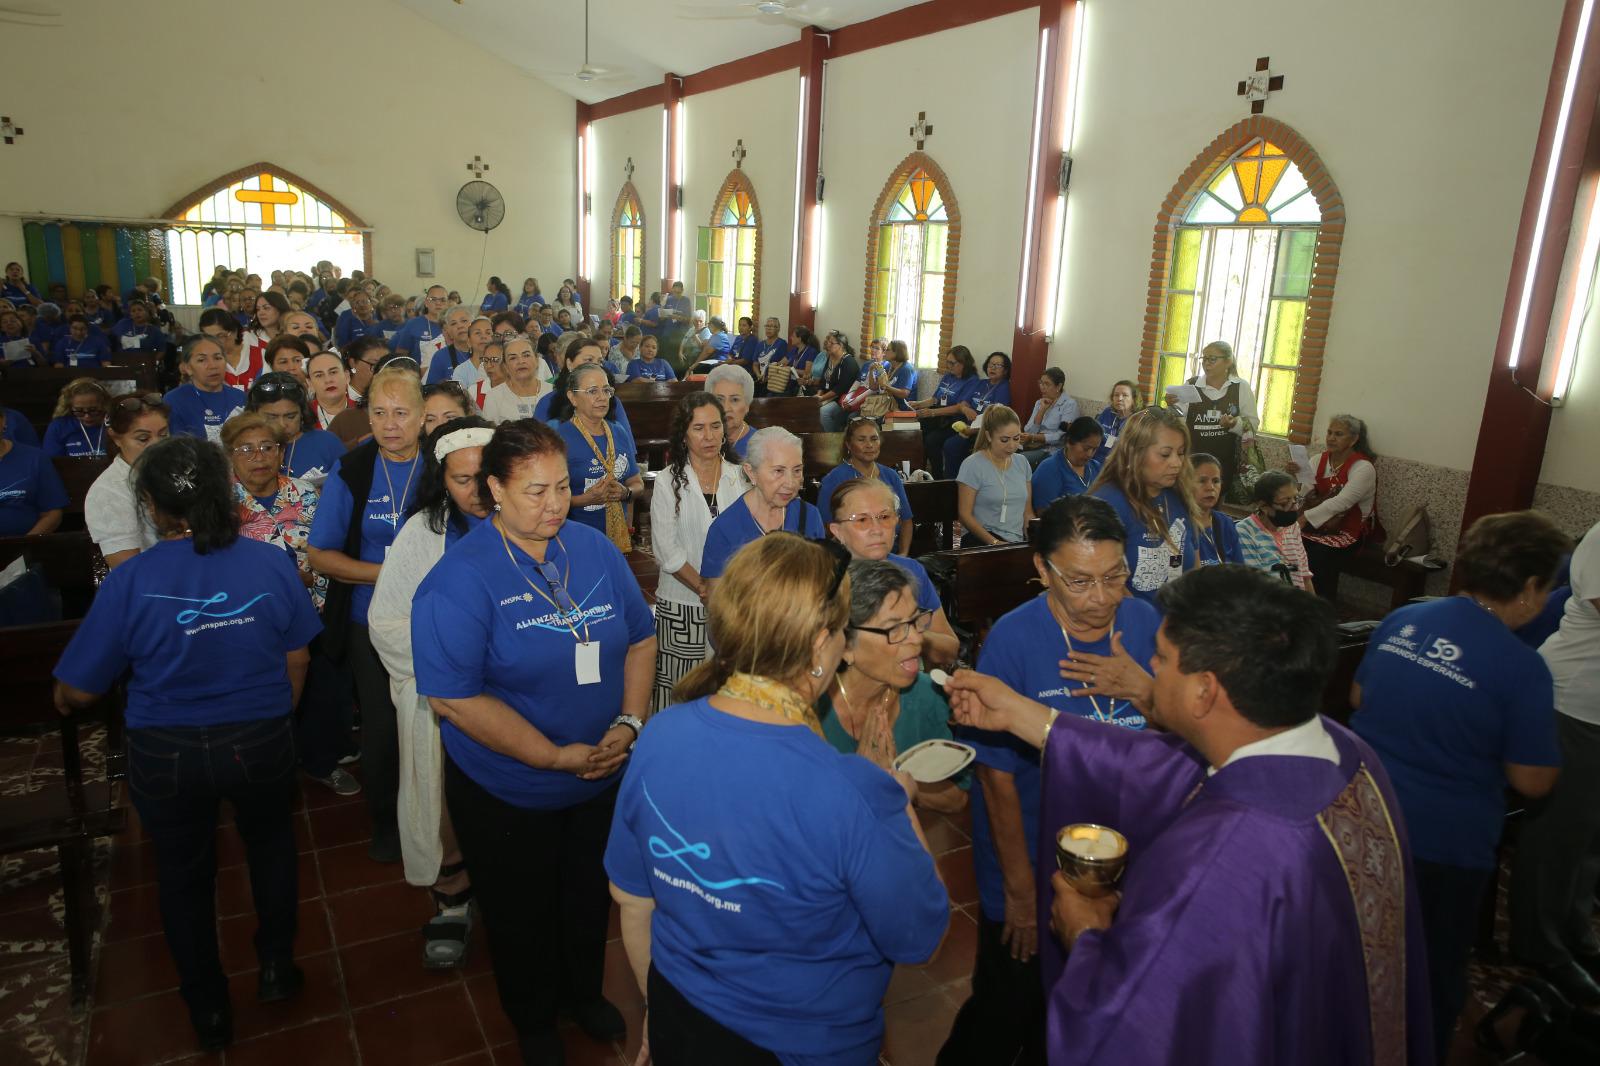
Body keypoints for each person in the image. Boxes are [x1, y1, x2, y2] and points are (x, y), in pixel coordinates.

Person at [942, 564, 1433, 1066]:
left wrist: (1086, 933)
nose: (1148, 669)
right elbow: (1158, 769)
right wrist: (1023, 714)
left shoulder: (1224, 859)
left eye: (1160, 656)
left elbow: (1131, 1024)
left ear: (1204, 691)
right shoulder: (1343, 752)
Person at [605, 534, 947, 1066]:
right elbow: (919, 935)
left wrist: (655, 1007)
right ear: (819, 646)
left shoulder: (657, 737)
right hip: (803, 1043)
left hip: (682, 1013)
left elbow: (634, 900)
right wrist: (896, 798)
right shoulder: (855, 791)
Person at [52, 436, 320, 1053]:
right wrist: (280, 716)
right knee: (273, 848)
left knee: (182, 875)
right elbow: (299, 654)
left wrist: (63, 699)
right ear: (224, 492)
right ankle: (277, 966)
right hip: (259, 734)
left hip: (166, 747)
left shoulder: (131, 580)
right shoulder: (268, 562)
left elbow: (80, 689)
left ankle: (208, 1007)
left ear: (150, 504)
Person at [412, 419, 655, 1065]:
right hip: (509, 789)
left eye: (563, 488)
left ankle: (582, 993)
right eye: (534, 491)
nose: (553, 505)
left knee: (584, 896)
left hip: (600, 768)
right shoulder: (460, 580)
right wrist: (550, 756)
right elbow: (453, 697)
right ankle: (533, 1018)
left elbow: (638, 636)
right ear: (493, 489)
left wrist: (628, 723)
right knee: (521, 914)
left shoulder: (591, 549)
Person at [940, 496, 1161, 1064]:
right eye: (1081, 582)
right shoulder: (1014, 640)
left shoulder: (1145, 623)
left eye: (1115, 576)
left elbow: (1178, 742)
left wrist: (1145, 690)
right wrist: (1020, 893)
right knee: (1006, 1006)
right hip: (1035, 855)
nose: (1103, 598)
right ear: (1042, 569)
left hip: (1125, 859)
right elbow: (997, 777)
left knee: (1085, 1009)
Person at [1352, 511, 1567, 1051]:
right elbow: (1534, 781)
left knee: (1362, 942)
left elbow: (1358, 698)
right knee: (1433, 962)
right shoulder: (1521, 668)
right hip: (1443, 842)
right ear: (1532, 587)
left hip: (1365, 815)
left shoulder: (1406, 620)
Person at [369, 417, 494, 969]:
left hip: (513, 694)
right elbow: (386, 624)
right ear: (442, 480)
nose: (475, 491)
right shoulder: (422, 534)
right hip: (445, 692)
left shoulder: (529, 521)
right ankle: (452, 890)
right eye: (461, 479)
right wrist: (455, 667)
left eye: (484, 476)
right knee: (442, 788)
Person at [307, 367, 426, 862]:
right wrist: (392, 574)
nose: (390, 424)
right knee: (382, 728)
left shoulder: (444, 468)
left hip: (437, 617)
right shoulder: (352, 470)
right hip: (368, 619)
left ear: (422, 418)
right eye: (379, 413)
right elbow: (320, 555)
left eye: (401, 413)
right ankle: (388, 826)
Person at [222, 412, 353, 797]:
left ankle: (321, 762)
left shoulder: (307, 492)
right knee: (265, 695)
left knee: (323, 692)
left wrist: (310, 575)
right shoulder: (220, 502)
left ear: (281, 452)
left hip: (317, 607)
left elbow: (333, 544)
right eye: (246, 449)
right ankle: (266, 766)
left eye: (268, 447)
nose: (258, 456)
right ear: (230, 455)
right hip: (254, 621)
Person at [1512, 517, 1600, 1007]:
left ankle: (1575, 932)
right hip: (1575, 702)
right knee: (1560, 831)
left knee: (1591, 837)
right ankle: (1540, 945)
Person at [819, 557, 969, 809]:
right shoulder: (810, 709)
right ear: (845, 645)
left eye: (914, 621)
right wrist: (864, 780)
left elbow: (956, 799)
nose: (916, 640)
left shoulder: (927, 694)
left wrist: (892, 781)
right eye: (894, 629)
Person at [648, 392, 748, 710]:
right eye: (699, 428)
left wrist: (726, 591)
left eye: (716, 426)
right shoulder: (668, 481)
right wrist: (704, 588)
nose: (709, 436)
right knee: (679, 692)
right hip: (683, 602)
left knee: (725, 691)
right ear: (684, 434)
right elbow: (667, 550)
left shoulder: (741, 476)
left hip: (734, 601)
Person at [828, 478, 961, 667]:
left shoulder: (911, 570)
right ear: (838, 531)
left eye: (885, 517)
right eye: (862, 520)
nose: (877, 529)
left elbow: (950, 650)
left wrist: (906, 632)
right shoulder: (823, 580)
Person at [1089, 406, 1195, 604]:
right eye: (1165, 454)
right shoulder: (1108, 504)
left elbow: (1193, 568)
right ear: (1134, 453)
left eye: (1180, 453)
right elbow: (1105, 583)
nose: (1176, 463)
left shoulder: (1177, 496)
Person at [700, 426, 825, 587]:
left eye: (797, 470)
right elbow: (716, 600)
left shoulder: (810, 516)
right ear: (751, 473)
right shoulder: (725, 528)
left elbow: (822, 583)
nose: (791, 483)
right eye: (779, 471)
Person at [1291, 414, 1379, 604]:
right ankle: (1294, 603)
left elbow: (1342, 502)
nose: (1331, 438)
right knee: (1290, 546)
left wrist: (1304, 519)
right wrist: (1296, 477)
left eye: (1339, 434)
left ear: (1354, 439)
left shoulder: (1363, 468)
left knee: (1319, 555)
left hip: (1349, 531)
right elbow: (1305, 495)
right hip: (1315, 527)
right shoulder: (1317, 460)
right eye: (1329, 433)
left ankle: (1322, 607)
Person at [556, 363, 644, 550]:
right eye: (592, 391)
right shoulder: (560, 438)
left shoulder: (618, 431)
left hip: (618, 536)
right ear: (573, 397)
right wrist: (584, 500)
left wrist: (625, 493)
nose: (602, 398)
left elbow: (637, 483)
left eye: (606, 390)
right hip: (575, 536)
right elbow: (550, 498)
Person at [1166, 340, 1260, 493]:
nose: (1206, 364)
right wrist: (1171, 405)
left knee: (1213, 503)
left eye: (1212, 359)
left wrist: (1233, 424)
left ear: (1228, 361)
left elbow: (1253, 425)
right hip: (1192, 460)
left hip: (1224, 462)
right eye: (1204, 359)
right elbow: (1179, 419)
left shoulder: (1241, 387)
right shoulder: (1192, 384)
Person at [85, 393, 168, 568]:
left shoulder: (180, 467)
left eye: (163, 434)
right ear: (116, 438)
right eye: (143, 439)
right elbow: (128, 571)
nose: (157, 446)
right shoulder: (107, 491)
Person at [817, 417, 915, 552]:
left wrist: (903, 555)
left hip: (891, 554)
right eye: (861, 440)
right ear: (849, 445)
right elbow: (826, 525)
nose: (869, 445)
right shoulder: (834, 479)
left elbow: (906, 521)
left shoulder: (891, 476)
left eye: (874, 439)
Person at [246, 373, 344, 486]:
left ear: (302, 413)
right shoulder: (243, 451)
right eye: (271, 417)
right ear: (253, 415)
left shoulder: (327, 443)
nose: (282, 424)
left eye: (290, 417)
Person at [956, 404, 1033, 546]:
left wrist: (1033, 542)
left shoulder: (1022, 462)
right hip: (981, 539)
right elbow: (964, 515)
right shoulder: (973, 464)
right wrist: (994, 542)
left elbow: (1027, 513)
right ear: (988, 436)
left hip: (1014, 542)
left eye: (1016, 439)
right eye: (1004, 440)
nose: (1011, 446)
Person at [1235, 470, 1314, 591]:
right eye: (1284, 503)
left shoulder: (1292, 527)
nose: (1295, 507)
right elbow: (1256, 587)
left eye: (1295, 499)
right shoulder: (1244, 532)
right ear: (1263, 506)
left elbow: (1304, 576)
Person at [911, 346, 982, 478]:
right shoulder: (948, 376)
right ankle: (918, 471)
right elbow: (935, 398)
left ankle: (937, 477)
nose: (949, 366)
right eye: (947, 362)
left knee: (932, 440)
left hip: (954, 421)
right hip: (938, 417)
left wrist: (932, 413)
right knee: (916, 432)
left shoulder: (972, 381)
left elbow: (959, 407)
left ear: (964, 363)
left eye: (952, 363)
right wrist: (918, 404)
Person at [164, 337, 248, 443]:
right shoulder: (174, 400)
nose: (213, 366)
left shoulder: (240, 397)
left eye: (218, 358)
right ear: (187, 368)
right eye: (201, 360)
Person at [943, 350, 1013, 473]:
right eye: (991, 364)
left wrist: (971, 430)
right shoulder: (981, 383)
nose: (992, 368)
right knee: (941, 439)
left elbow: (995, 417)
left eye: (998, 366)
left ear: (1005, 370)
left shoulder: (1004, 388)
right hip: (966, 424)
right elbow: (964, 403)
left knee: (951, 445)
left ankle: (955, 481)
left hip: (983, 431)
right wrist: (965, 409)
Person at [0, 409, 67, 536]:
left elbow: (52, 513)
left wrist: (25, 545)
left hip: (25, 547)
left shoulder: (35, 458)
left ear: (3, 420)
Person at [1030, 416, 1105, 511]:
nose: (1090, 454)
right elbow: (1045, 514)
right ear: (1069, 441)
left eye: (1094, 449)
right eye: (1086, 448)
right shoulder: (1050, 469)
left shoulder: (1096, 467)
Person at [1019, 368, 1080, 467]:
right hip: (1032, 445)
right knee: (1006, 453)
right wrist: (1042, 410)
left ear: (1059, 386)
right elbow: (1028, 430)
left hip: (1052, 450)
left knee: (1019, 460)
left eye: (1047, 384)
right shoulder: (1039, 403)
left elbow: (1062, 437)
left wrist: (1035, 437)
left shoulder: (1069, 405)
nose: (1042, 387)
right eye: (1041, 383)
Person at [1189, 452, 1243, 565]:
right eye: (1202, 481)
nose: (1210, 487)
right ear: (1185, 484)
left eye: (1216, 481)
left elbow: (1240, 571)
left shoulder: (1226, 523)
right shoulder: (1178, 525)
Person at [481, 335, 549, 424]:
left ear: (537, 360)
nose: (521, 361)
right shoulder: (494, 397)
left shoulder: (551, 392)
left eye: (526, 355)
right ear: (505, 366)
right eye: (513, 358)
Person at [41, 378, 110, 458]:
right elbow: (53, 462)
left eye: (93, 410)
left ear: (104, 405)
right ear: (70, 407)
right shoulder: (59, 427)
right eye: (79, 411)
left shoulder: (114, 423)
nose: (87, 416)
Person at [815, 330, 862, 433]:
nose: (828, 345)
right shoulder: (831, 358)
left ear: (840, 345)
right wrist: (818, 394)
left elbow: (841, 389)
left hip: (842, 399)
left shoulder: (849, 362)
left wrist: (821, 398)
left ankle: (832, 438)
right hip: (828, 396)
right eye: (828, 342)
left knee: (823, 412)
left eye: (832, 343)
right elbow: (823, 381)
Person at [705, 363, 756, 457]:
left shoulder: (762, 445)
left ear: (747, 405)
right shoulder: (699, 441)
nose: (726, 408)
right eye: (719, 399)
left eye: (735, 400)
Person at [424, 305, 476, 385]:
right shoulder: (440, 356)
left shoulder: (486, 351)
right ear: (448, 331)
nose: (460, 326)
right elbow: (431, 390)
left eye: (464, 321)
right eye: (454, 323)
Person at [307, 349, 354, 431]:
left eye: (333, 372)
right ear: (310, 383)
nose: (328, 380)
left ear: (347, 376)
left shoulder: (364, 411)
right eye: (319, 375)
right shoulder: (303, 418)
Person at [1095, 379, 1141, 463]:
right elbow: (1094, 433)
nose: (1119, 399)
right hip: (1095, 459)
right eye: (1116, 395)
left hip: (1118, 464)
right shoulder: (1107, 412)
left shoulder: (1137, 420)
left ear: (1133, 399)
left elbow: (1127, 448)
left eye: (1125, 395)